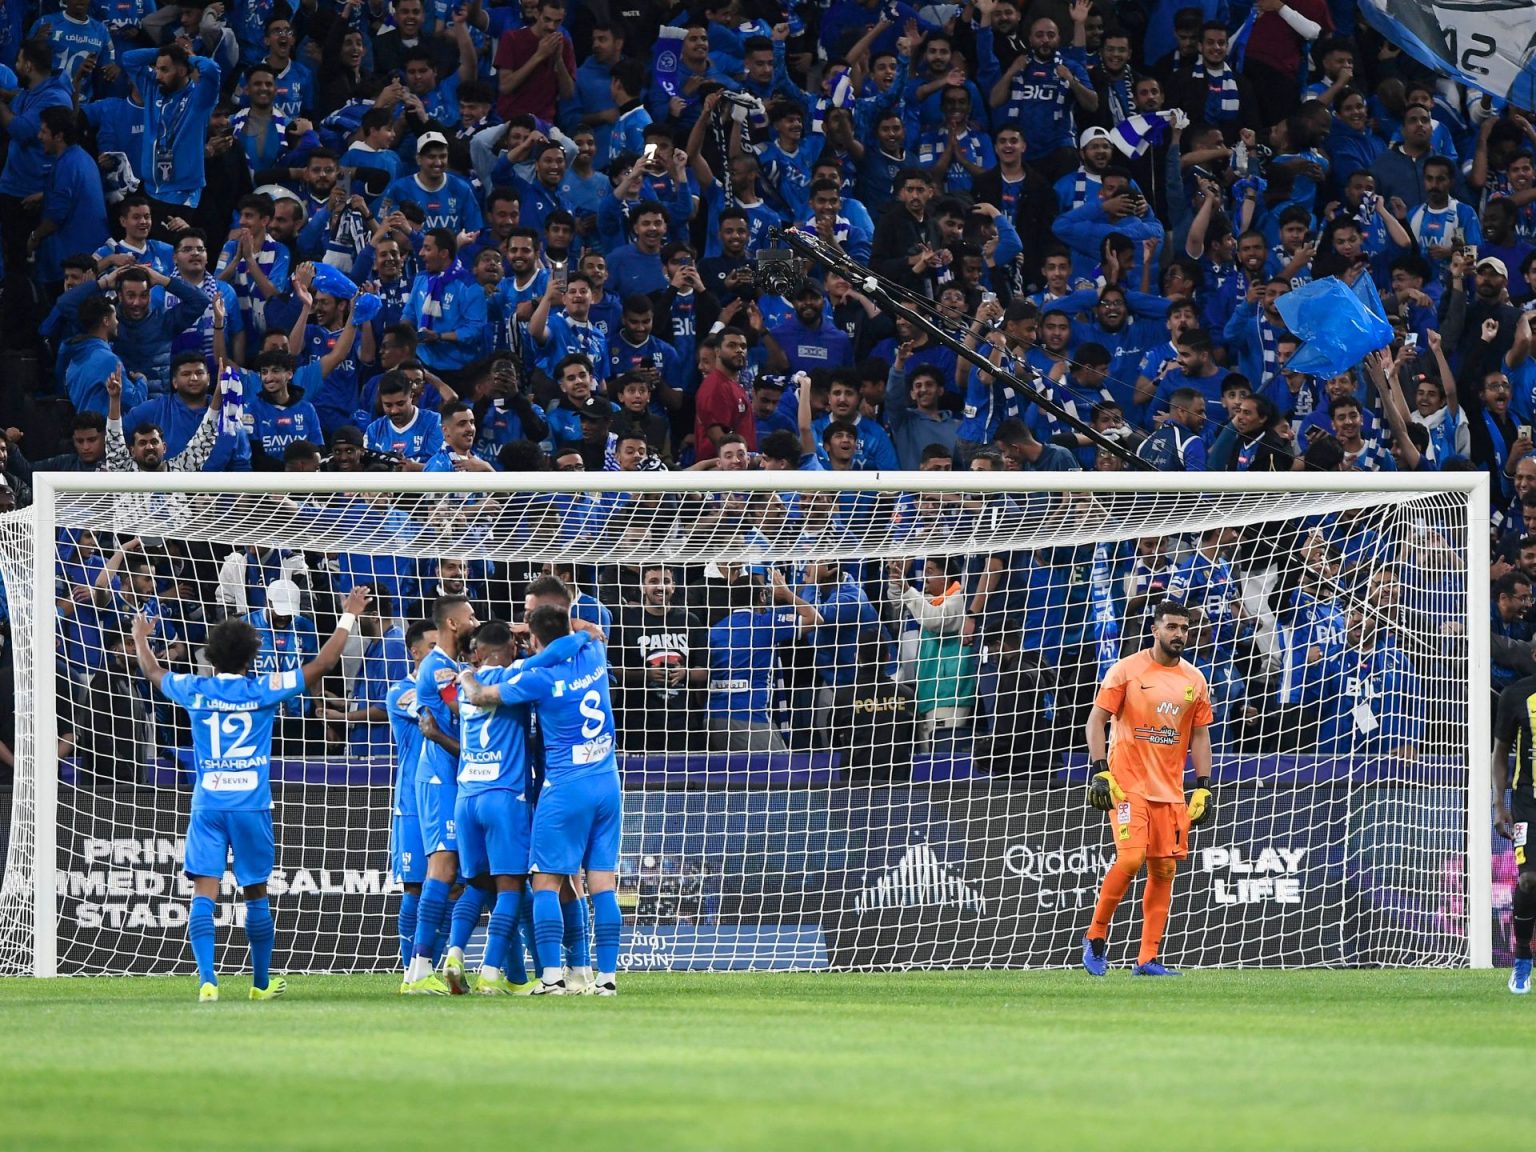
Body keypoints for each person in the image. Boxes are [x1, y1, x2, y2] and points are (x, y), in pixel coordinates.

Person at [132, 585, 369, 1001]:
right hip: (251, 804)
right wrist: (348, 614)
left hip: (208, 803)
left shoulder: (194, 689)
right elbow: (325, 661)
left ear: (211, 655)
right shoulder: (263, 689)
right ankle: (260, 984)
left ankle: (207, 980)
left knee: (205, 890)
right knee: (255, 890)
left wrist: (139, 638)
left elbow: (153, 673)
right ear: (250, 657)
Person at [459, 605, 620, 996]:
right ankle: (604, 978)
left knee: (546, 882)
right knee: (601, 884)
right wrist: (572, 631)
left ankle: (551, 978)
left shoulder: (537, 678)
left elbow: (479, 696)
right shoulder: (593, 653)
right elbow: (591, 629)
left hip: (564, 788)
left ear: (533, 640)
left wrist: (465, 674)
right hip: (606, 782)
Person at [1081, 599, 1213, 977]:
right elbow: (1096, 722)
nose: (1179, 634)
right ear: (1154, 630)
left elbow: (1200, 736)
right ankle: (1095, 936)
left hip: (1171, 791)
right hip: (1127, 786)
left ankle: (1147, 959)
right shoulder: (1125, 671)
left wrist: (1202, 786)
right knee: (1130, 859)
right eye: (1171, 627)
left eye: (1184, 628)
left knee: (1164, 870)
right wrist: (1100, 770)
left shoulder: (1194, 680)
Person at [449, 620, 537, 996]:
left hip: (466, 796)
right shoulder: (515, 675)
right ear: (511, 649)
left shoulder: (462, 680)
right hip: (504, 795)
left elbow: (468, 687)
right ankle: (488, 972)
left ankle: (453, 954)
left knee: (475, 885)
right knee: (510, 888)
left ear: (478, 652)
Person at [401, 593, 479, 995]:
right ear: (453, 623)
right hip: (440, 776)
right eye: (470, 616)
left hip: (450, 774)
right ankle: (419, 967)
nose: (475, 621)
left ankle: (422, 968)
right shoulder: (442, 670)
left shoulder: (449, 666)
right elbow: (464, 709)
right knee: (443, 867)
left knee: (454, 875)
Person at [385, 618, 436, 973]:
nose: (439, 654)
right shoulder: (401, 691)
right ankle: (410, 969)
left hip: (448, 795)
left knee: (452, 888)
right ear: (415, 652)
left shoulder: (453, 683)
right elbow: (433, 714)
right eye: (433, 647)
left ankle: (441, 965)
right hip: (413, 803)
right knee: (415, 889)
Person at [1494, 673, 1536, 993]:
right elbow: (1501, 752)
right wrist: (1499, 803)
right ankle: (1522, 959)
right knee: (1528, 880)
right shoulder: (1516, 695)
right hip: (1527, 807)